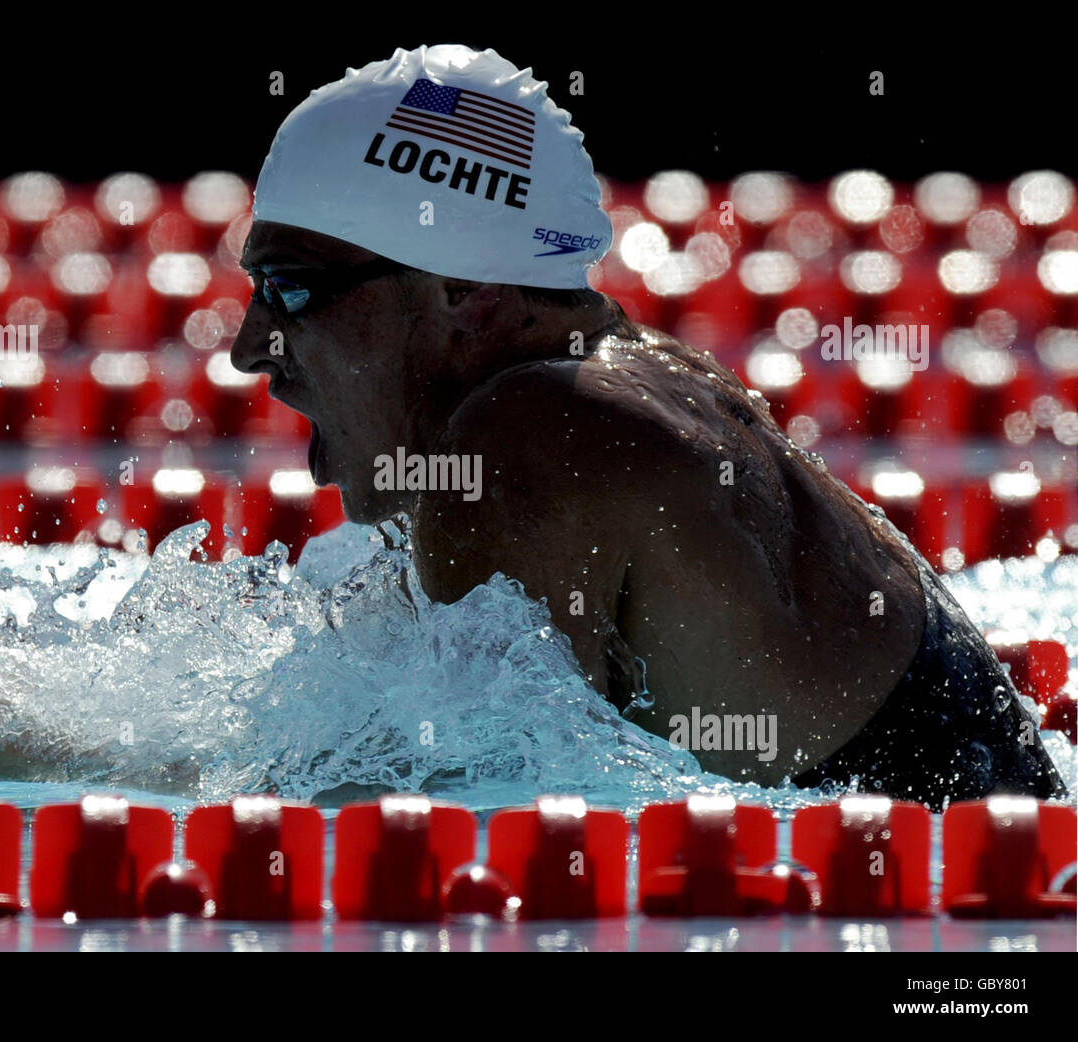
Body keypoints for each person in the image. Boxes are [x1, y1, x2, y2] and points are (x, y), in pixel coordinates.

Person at [229, 44, 1066, 809]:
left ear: (463, 293)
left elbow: (443, 817)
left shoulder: (528, 438)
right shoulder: (645, 380)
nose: (248, 348)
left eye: (291, 289)